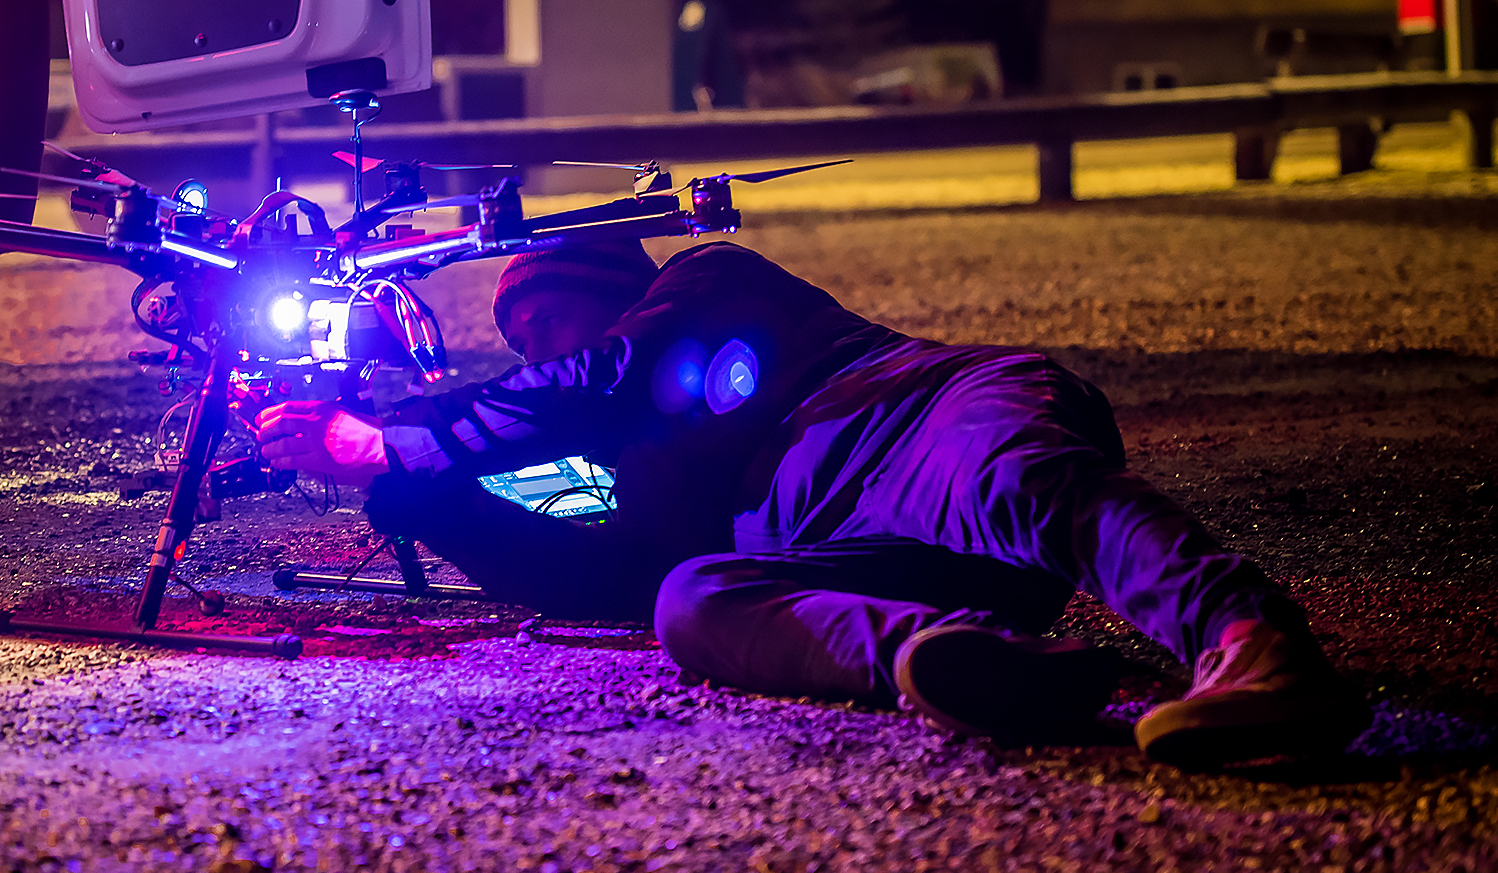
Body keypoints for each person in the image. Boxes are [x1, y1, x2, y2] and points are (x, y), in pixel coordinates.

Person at [255, 238, 1371, 770]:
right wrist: (410, 492)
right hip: (852, 548)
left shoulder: (702, 285)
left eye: (542, 328)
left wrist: (393, 435)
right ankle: (956, 659)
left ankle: (1255, 646)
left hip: (916, 417)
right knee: (688, 600)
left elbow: (591, 384)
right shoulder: (645, 468)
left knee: (1021, 485)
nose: (534, 354)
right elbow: (573, 575)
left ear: (607, 295)